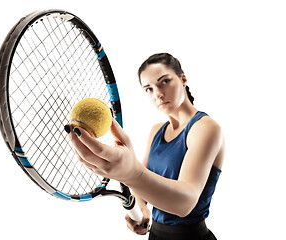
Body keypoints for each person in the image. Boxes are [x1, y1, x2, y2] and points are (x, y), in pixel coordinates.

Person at [65, 53, 225, 240]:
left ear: (183, 79)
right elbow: (143, 185)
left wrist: (132, 174)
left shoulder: (206, 128)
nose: (157, 93)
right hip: (156, 236)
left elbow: (185, 203)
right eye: (148, 89)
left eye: (164, 81)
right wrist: (141, 208)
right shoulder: (156, 131)